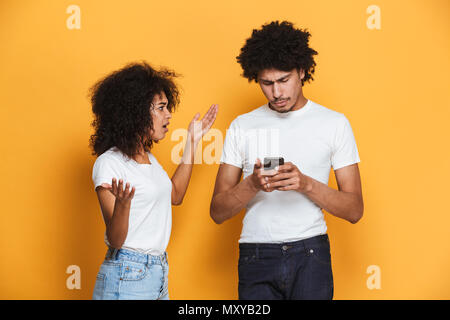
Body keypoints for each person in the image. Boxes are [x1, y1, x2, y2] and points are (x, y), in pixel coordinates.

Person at [210, 21, 363, 300]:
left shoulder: (334, 123)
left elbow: (354, 210)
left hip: (311, 254)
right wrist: (252, 184)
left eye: (283, 80)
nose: (276, 93)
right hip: (256, 254)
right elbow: (218, 212)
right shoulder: (242, 126)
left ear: (302, 72)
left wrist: (305, 185)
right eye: (266, 83)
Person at [89, 62, 218, 300]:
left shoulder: (149, 160)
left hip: (157, 271)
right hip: (127, 274)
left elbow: (176, 195)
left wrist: (192, 141)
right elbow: (116, 240)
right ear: (136, 112)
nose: (168, 114)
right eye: (161, 108)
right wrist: (123, 205)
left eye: (167, 107)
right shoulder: (109, 163)